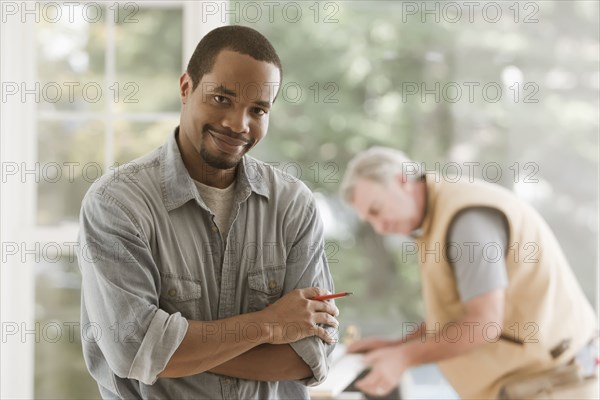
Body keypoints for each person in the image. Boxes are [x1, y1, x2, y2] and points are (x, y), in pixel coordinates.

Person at [77, 25, 339, 399]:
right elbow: (132, 349)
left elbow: (310, 358)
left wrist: (172, 349)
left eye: (258, 110)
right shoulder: (117, 205)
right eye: (221, 99)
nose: (238, 124)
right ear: (186, 88)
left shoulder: (292, 205)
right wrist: (268, 326)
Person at [339, 147, 598, 399]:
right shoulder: (441, 215)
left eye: (376, 210)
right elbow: (457, 317)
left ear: (402, 180)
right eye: (370, 221)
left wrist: (404, 357)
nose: (380, 228)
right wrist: (396, 346)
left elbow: (483, 323)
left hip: (556, 384)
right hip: (536, 381)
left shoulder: (466, 221)